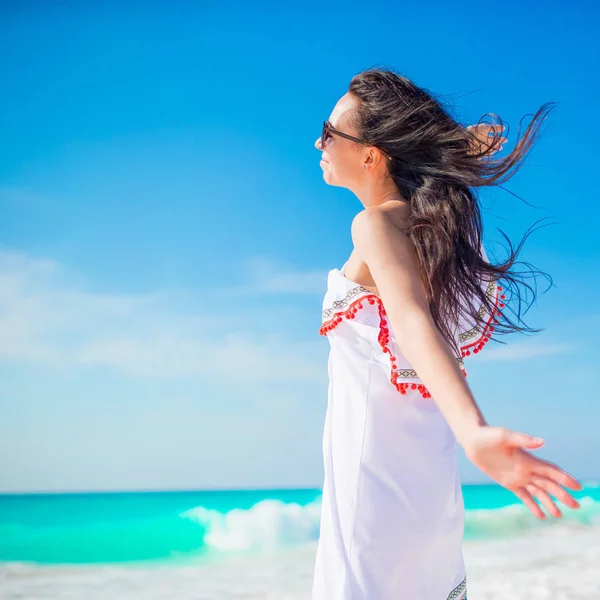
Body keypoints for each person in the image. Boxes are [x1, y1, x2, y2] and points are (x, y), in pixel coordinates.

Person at [312, 68, 582, 600]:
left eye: (329, 130)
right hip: (428, 484)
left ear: (371, 155)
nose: (318, 141)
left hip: (373, 481)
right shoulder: (434, 228)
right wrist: (453, 141)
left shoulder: (374, 225)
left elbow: (411, 319)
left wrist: (475, 430)